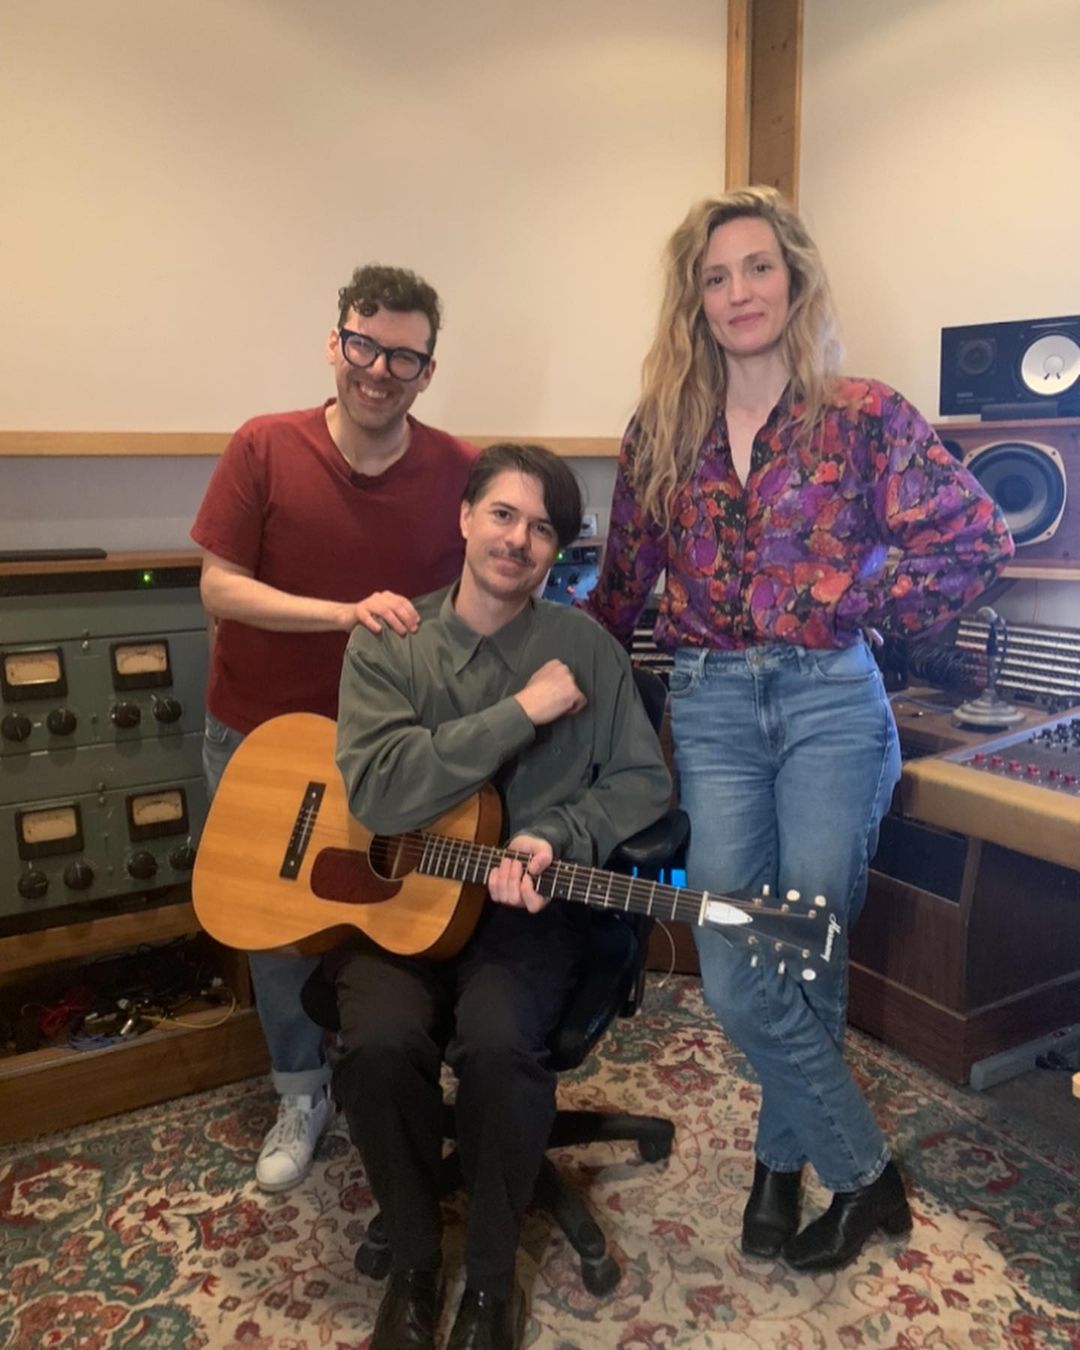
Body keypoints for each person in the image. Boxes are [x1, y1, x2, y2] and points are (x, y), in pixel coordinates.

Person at [585, 187, 1014, 1273]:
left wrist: (858, 604)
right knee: (738, 967)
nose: (739, 292)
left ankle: (780, 1163)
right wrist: (539, 675)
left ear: (795, 278)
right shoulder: (660, 431)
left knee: (811, 946)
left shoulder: (863, 416)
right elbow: (619, 589)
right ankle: (865, 1174)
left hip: (832, 705)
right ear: (694, 299)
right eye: (715, 276)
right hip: (714, 709)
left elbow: (976, 540)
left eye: (758, 267)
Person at [330, 443, 672, 1350]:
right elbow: (380, 790)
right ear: (465, 517)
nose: (518, 540)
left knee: (498, 1046)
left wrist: (559, 833)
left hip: (525, 916)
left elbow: (643, 783)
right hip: (402, 907)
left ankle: (488, 1283)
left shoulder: (586, 649)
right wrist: (521, 712)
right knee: (375, 1044)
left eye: (542, 528)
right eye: (503, 515)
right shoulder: (390, 639)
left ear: (557, 549)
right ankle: (414, 1265)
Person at [191, 264, 476, 1193]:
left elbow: (490, 594)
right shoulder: (264, 446)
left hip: (393, 755)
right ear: (335, 343)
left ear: (427, 371)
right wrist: (346, 616)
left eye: (404, 357)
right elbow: (220, 588)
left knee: (391, 916)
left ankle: (384, 1079)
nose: (379, 370)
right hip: (260, 739)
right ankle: (300, 1090)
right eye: (364, 345)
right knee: (274, 933)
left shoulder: (462, 471)